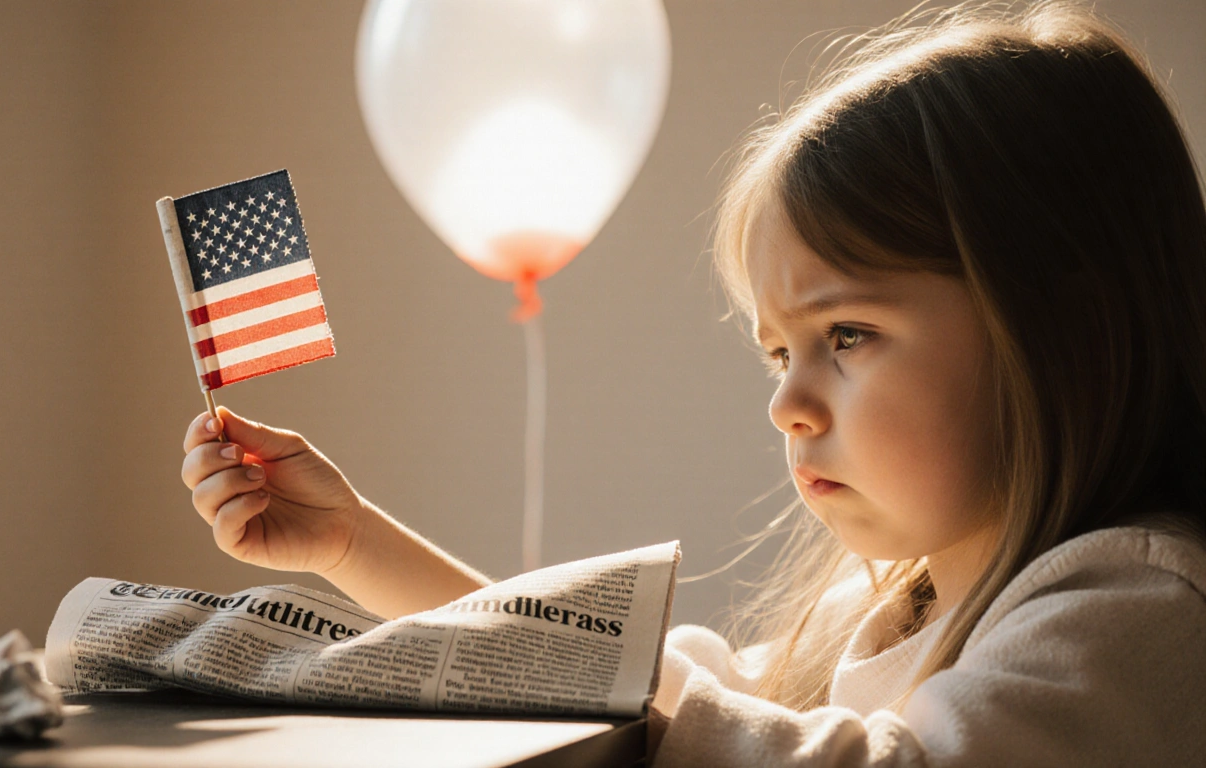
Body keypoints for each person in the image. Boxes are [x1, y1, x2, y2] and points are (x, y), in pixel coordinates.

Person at [179, 0, 1206, 763]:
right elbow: (636, 687)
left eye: (847, 333)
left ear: (1062, 325)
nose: (787, 405)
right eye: (777, 351)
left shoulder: (1141, 604)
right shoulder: (890, 607)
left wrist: (634, 710)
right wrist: (355, 540)